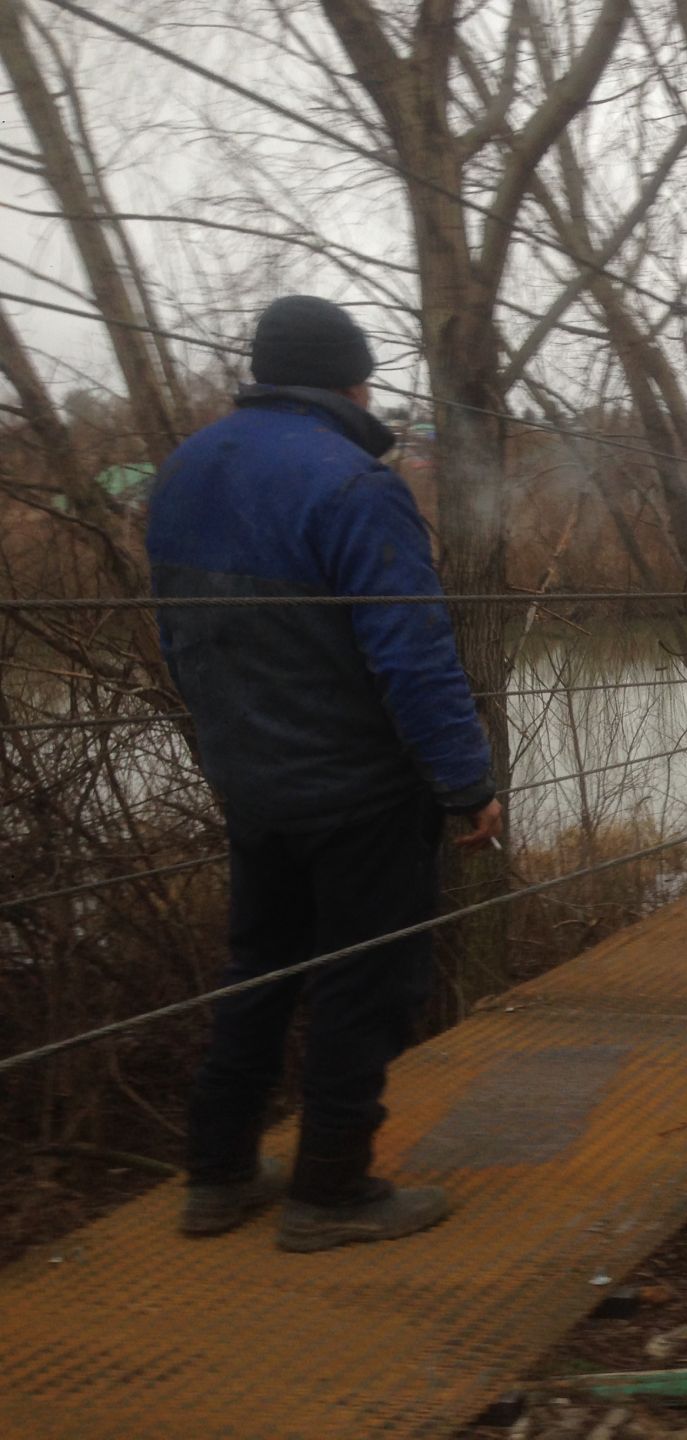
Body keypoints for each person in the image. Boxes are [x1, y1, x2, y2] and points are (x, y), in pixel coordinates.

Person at [146, 295, 502, 1252]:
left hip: (252, 781)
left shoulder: (183, 471)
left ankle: (217, 1176)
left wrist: (232, 748)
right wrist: (466, 783)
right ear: (349, 380)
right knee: (366, 980)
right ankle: (331, 1191)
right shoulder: (354, 484)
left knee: (260, 965)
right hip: (359, 790)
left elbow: (178, 638)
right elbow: (412, 654)